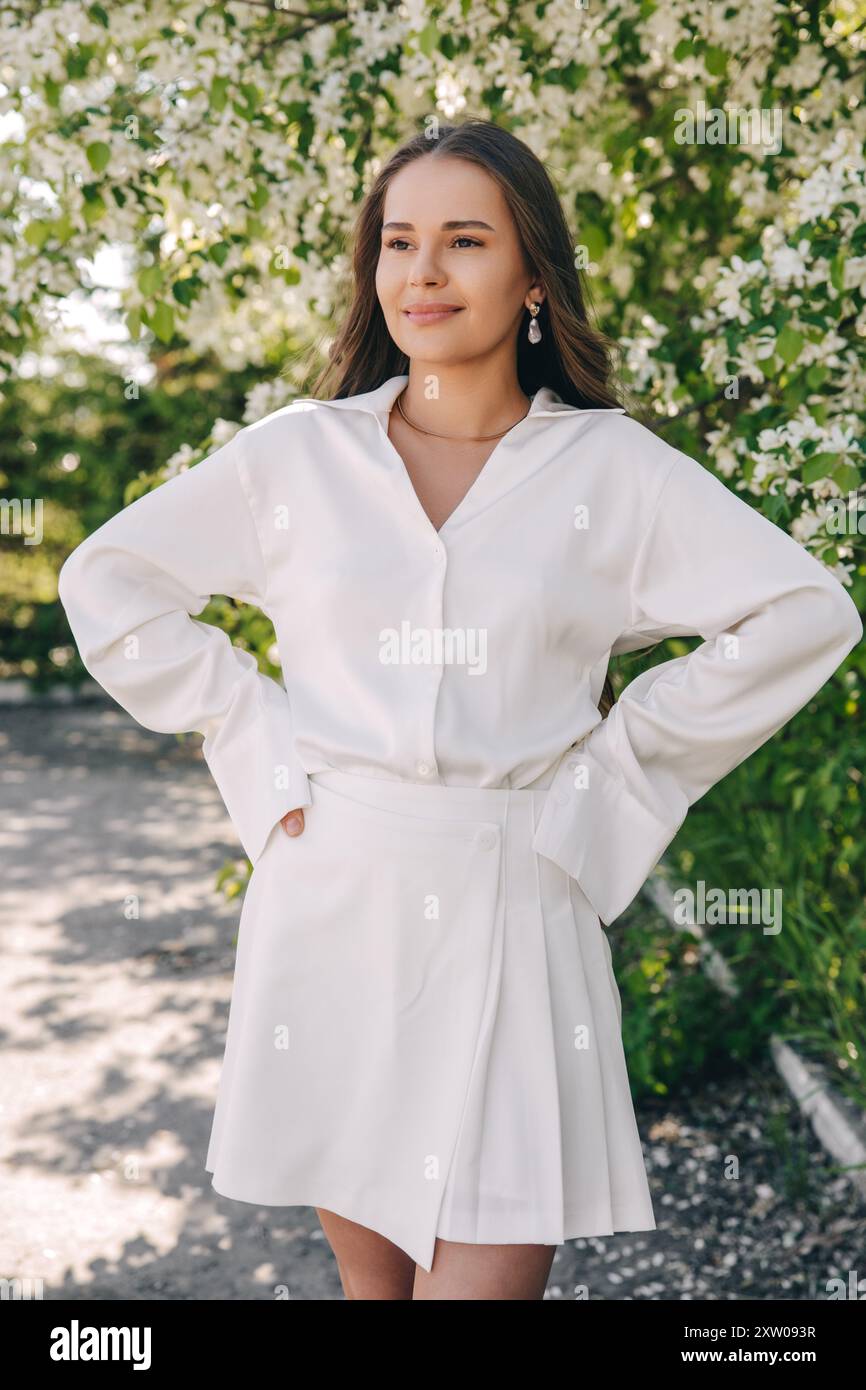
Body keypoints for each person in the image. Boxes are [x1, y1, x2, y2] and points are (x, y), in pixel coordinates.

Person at [58, 118, 863, 1302]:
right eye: (398, 242)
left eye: (463, 240)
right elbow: (106, 582)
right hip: (328, 900)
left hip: (515, 903)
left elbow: (802, 611)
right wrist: (256, 739)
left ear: (531, 275)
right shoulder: (298, 457)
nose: (421, 273)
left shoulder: (612, 472)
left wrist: (609, 777)